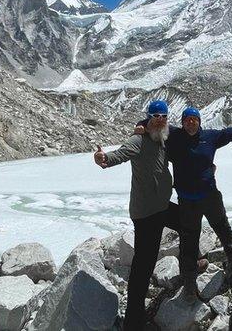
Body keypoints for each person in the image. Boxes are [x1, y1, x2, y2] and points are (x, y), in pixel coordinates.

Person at [94, 100, 191, 330]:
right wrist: (104, 159)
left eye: (164, 115)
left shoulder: (162, 137)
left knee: (188, 223)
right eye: (155, 115)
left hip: (162, 206)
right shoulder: (138, 140)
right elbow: (121, 154)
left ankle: (191, 264)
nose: (160, 119)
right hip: (147, 213)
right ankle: (133, 321)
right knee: (143, 267)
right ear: (149, 118)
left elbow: (185, 134)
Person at [147, 106, 232, 298]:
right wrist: (142, 126)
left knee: (223, 229)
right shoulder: (174, 136)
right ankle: (190, 280)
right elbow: (157, 123)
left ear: (199, 121)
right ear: (182, 122)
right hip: (187, 201)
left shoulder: (210, 137)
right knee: (189, 239)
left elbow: (229, 133)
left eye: (194, 119)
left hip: (210, 197)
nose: (190, 122)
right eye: (187, 119)